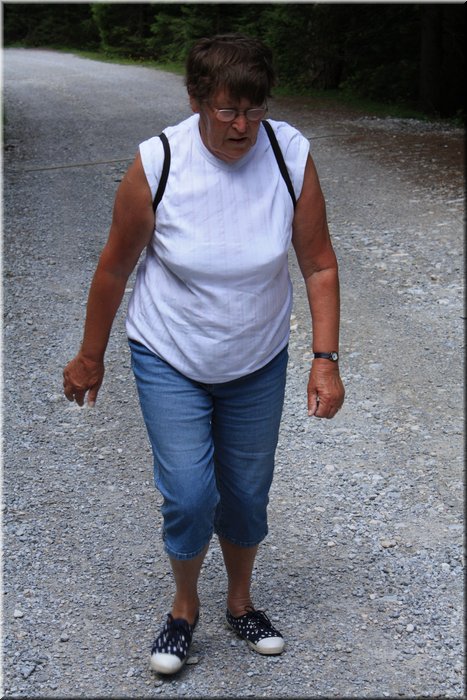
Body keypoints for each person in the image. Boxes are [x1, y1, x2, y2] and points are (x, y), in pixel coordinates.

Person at [63, 33, 345, 675]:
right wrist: (90, 356)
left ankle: (240, 603)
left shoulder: (289, 156)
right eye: (227, 110)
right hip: (170, 352)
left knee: (245, 491)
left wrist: (324, 358)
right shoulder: (159, 162)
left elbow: (319, 264)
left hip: (257, 356)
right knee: (190, 494)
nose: (242, 125)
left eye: (254, 109)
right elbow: (114, 269)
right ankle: (184, 607)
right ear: (195, 101)